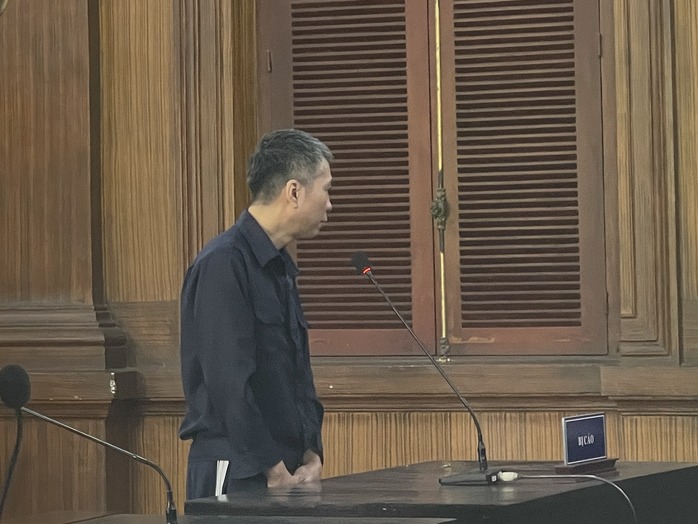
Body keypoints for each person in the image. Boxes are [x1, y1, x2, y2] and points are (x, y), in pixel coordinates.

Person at [179, 129, 332, 498]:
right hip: (238, 468)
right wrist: (272, 468)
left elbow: (296, 374)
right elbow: (227, 382)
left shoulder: (279, 266)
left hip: (287, 469)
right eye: (326, 190)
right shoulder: (223, 263)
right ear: (294, 192)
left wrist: (311, 452)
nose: (330, 204)